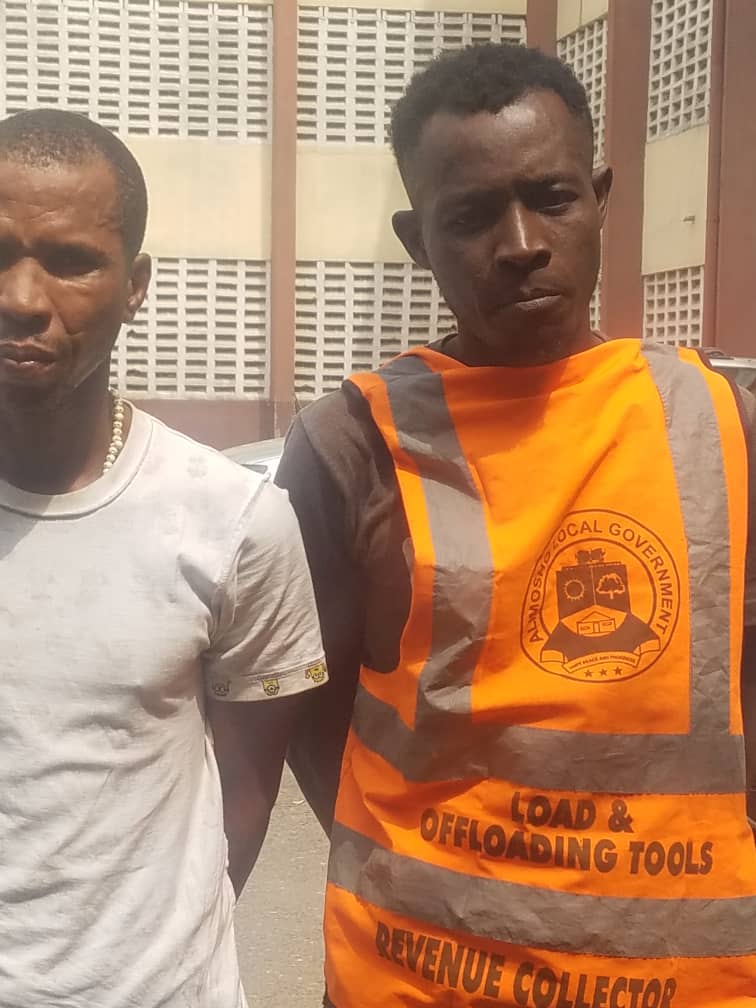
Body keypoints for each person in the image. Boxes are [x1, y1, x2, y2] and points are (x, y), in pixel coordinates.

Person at [276, 43, 756, 1007]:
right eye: (470, 216)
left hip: (683, 982)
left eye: (553, 198)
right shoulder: (351, 444)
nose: (522, 243)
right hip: (417, 980)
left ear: (601, 198)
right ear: (418, 241)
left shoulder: (721, 425)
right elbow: (306, 709)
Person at [0, 108, 326, 1007]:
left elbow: (248, 794)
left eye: (71, 260)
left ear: (135, 285)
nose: (22, 297)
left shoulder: (235, 519)